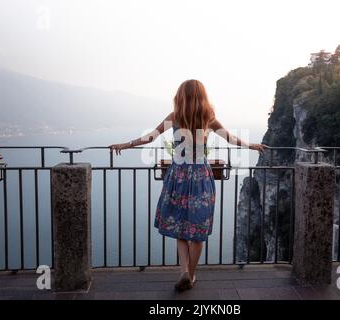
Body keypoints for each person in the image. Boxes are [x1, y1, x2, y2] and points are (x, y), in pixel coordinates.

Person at [110, 79, 266, 291]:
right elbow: (231, 138)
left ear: (180, 96)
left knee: (180, 227)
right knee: (197, 230)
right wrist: (251, 145)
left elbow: (149, 138)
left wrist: (125, 145)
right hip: (201, 177)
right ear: (203, 96)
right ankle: (190, 275)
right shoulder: (208, 118)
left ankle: (184, 272)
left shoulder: (174, 117)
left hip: (178, 177)